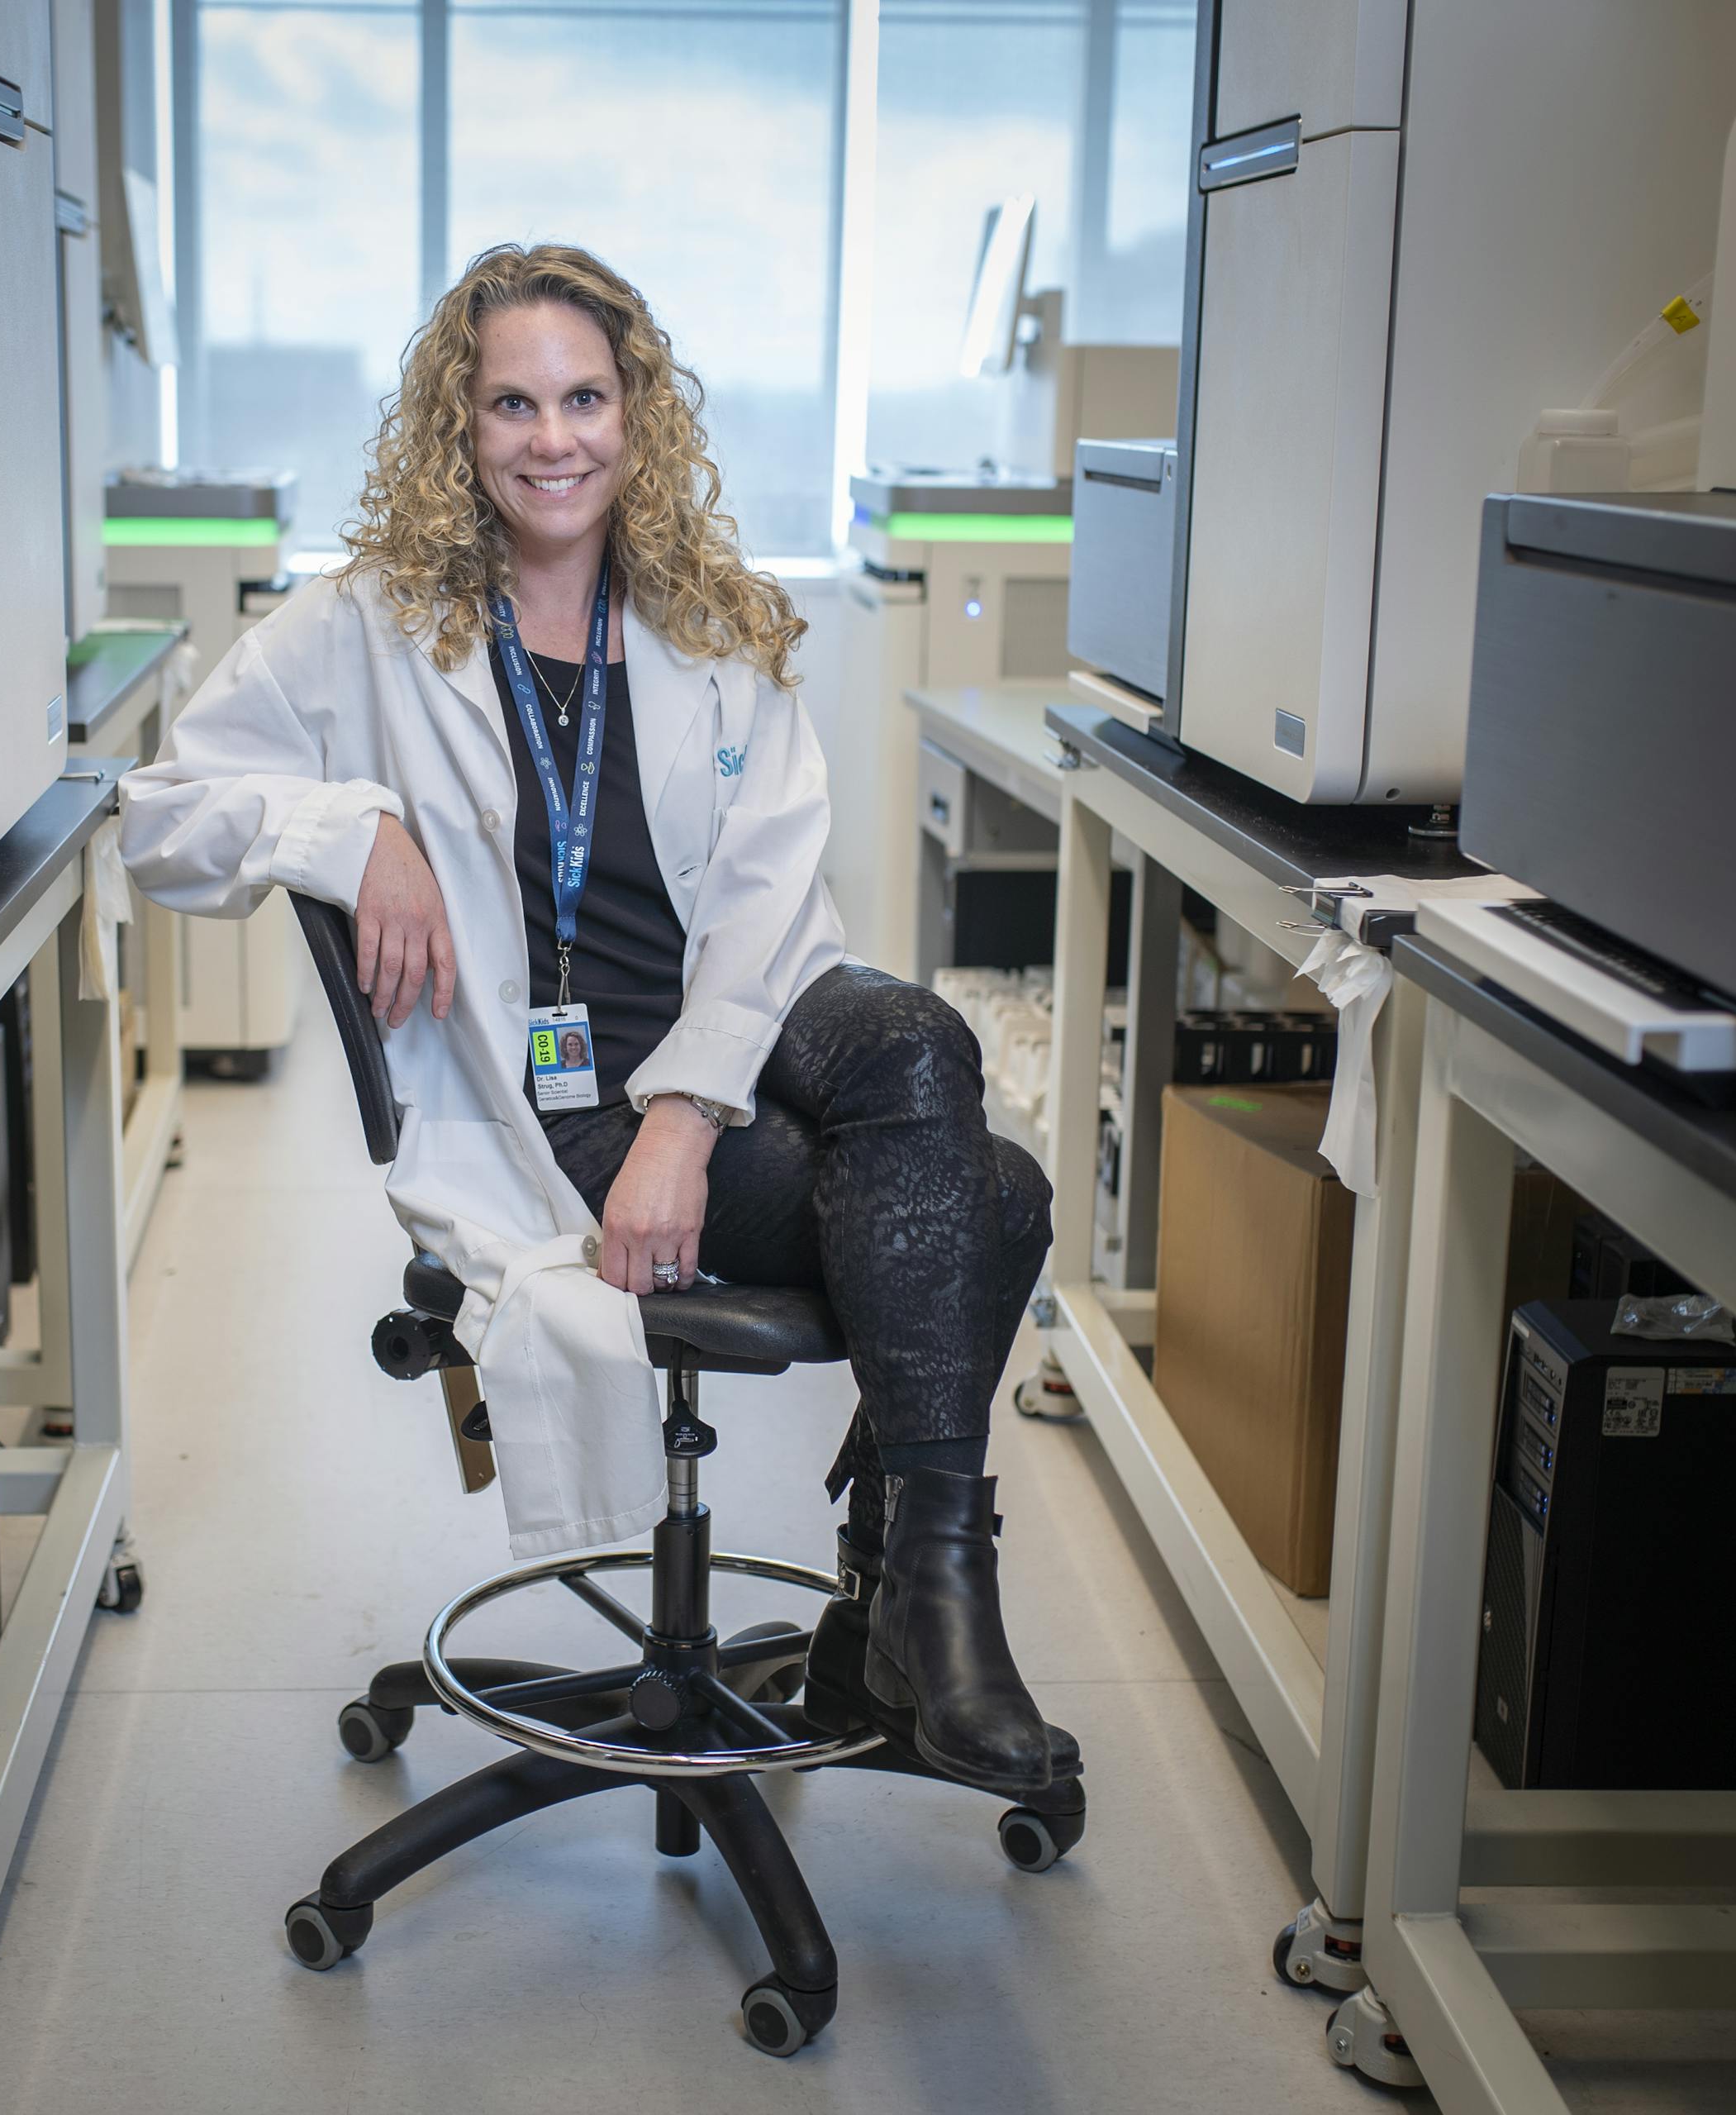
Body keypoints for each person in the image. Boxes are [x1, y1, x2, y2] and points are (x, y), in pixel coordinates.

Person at [119, 244, 1072, 1794]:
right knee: (1001, 1194)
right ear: (460, 422)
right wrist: (352, 834)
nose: (551, 439)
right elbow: (160, 813)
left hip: (740, 1038)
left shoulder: (711, 613)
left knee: (914, 1040)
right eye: (511, 403)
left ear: (639, 413)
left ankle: (923, 1608)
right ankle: (912, 1613)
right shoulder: (371, 622)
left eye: (582, 397)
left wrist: (687, 1123)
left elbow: (772, 895)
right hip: (552, 1104)